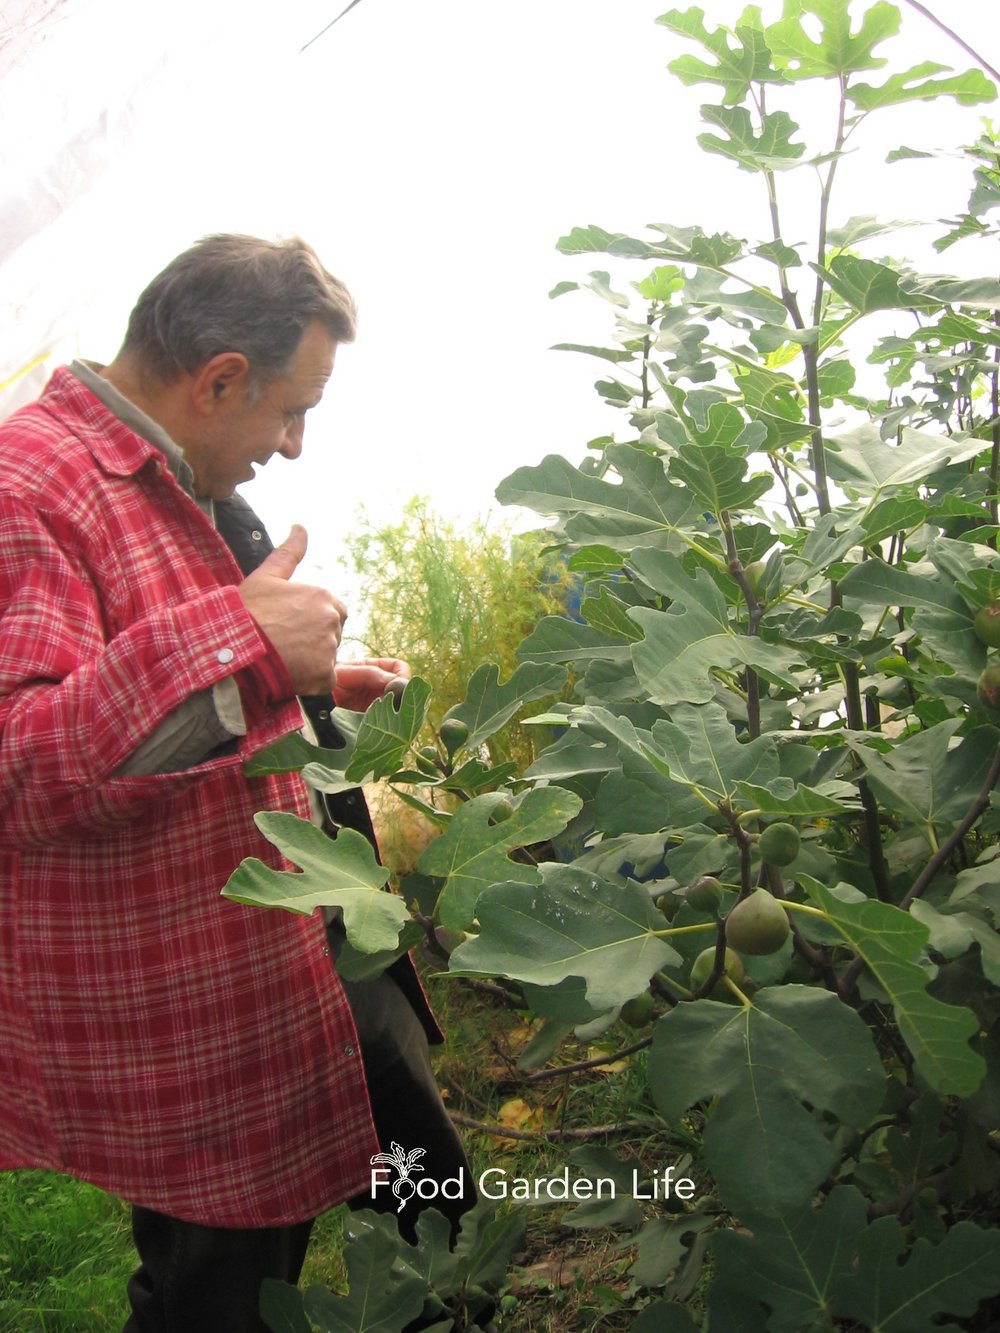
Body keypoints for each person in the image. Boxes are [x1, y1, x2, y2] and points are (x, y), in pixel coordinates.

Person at [0, 234, 472, 1333]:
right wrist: (241, 642)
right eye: (289, 410)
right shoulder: (30, 491)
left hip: (300, 949)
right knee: (218, 1295)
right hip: (190, 1008)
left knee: (429, 1194)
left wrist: (306, 690)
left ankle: (450, 1306)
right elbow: (19, 765)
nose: (295, 445)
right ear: (217, 378)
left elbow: (160, 700)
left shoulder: (168, 465)